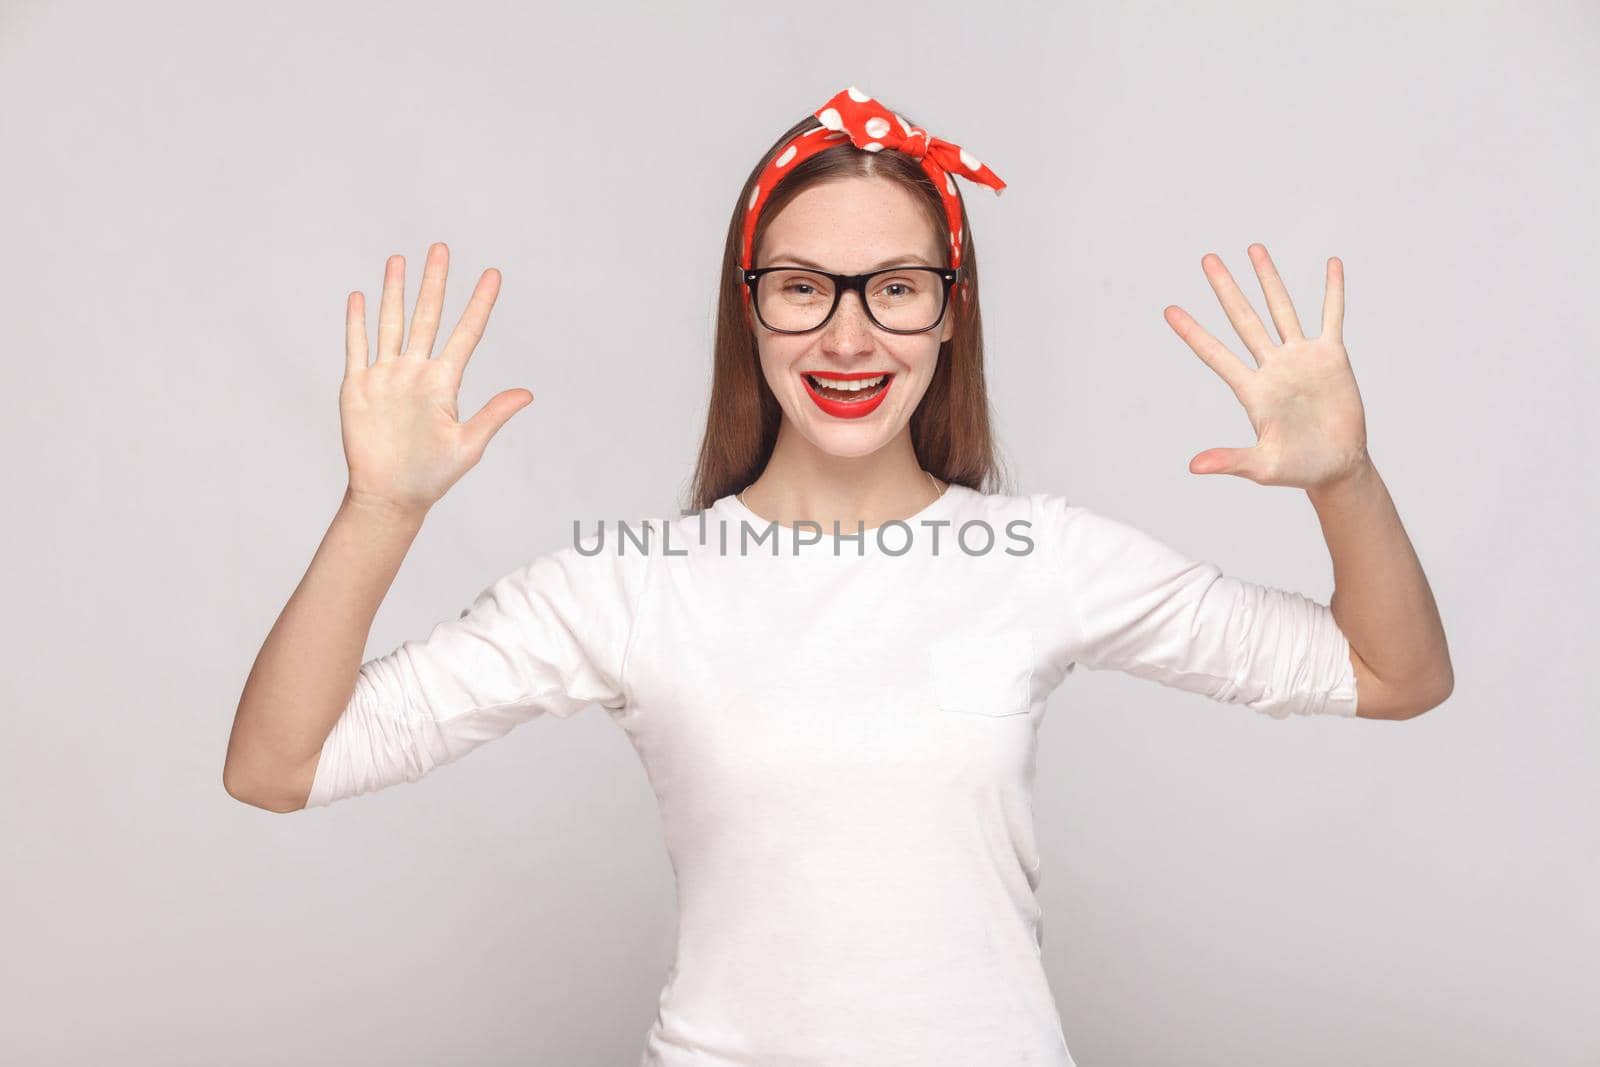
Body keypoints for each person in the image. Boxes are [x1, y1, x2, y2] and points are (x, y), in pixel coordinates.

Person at [223, 86, 1453, 1067]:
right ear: (749, 313)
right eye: (804, 288)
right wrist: (379, 508)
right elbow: (279, 765)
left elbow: (1392, 672)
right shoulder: (634, 583)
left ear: (949, 314)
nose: (849, 335)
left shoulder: (1044, 557)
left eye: (897, 289)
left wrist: (1344, 479)